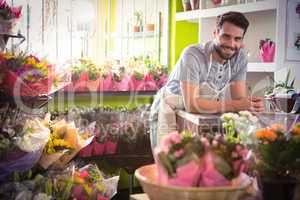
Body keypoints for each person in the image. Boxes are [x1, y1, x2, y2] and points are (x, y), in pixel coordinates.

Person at [149, 11, 264, 147]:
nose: (231, 44)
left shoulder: (240, 58)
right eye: (226, 36)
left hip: (197, 113)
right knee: (167, 161)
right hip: (168, 108)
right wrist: (238, 105)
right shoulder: (192, 54)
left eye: (237, 39)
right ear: (215, 33)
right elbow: (192, 104)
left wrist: (250, 105)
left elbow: (239, 100)